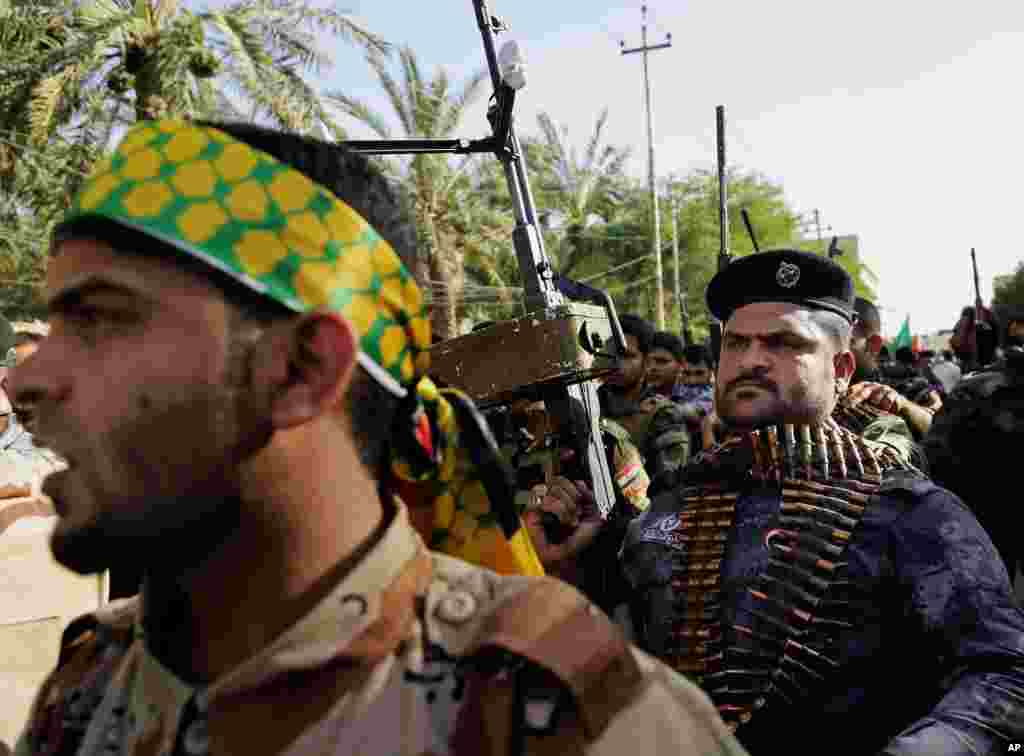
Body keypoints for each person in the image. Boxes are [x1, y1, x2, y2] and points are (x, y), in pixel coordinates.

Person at [10, 120, 749, 756]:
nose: (25, 380)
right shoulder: (88, 684)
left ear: (301, 370)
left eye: (100, 320)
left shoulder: (580, 719)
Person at [621, 249, 1024, 756]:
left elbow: (1005, 675)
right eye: (736, 342)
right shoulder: (669, 509)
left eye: (785, 343)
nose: (750, 359)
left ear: (841, 369)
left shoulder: (909, 511)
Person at [924, 343, 1024, 581]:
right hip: (988, 517)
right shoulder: (978, 389)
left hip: (981, 523)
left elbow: (934, 459)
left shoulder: (974, 386)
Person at [598, 315, 691, 494]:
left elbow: (669, 486)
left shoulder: (663, 414)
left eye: (626, 356)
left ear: (646, 361)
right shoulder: (587, 408)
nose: (616, 363)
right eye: (610, 354)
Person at [646, 331, 685, 399]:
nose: (653, 367)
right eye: (648, 361)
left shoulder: (693, 396)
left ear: (680, 365)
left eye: (662, 361)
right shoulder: (636, 394)